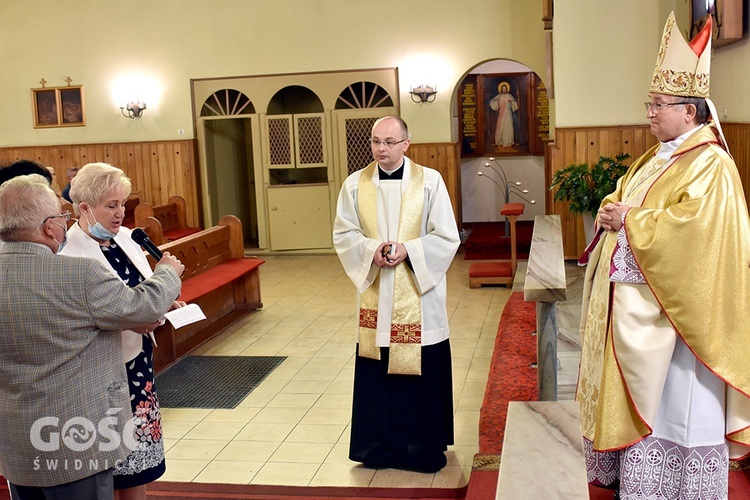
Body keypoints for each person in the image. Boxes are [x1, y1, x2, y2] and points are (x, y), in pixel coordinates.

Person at [576, 13, 750, 499]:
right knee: (652, 403)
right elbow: (629, 195)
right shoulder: (660, 155)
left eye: (658, 105)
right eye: (649, 103)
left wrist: (629, 220)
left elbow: (697, 236)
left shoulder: (711, 164)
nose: (650, 112)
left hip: (682, 326)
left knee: (681, 408)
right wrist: (615, 208)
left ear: (690, 111)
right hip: (646, 310)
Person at [0, 174, 184, 500]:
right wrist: (168, 272)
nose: (64, 224)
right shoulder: (77, 272)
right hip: (76, 438)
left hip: (16, 438)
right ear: (48, 227)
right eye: (61, 217)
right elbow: (142, 306)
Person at [332, 115, 460, 473]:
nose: (381, 149)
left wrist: (409, 251)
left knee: (420, 372)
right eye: (375, 142)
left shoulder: (429, 182)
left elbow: (447, 236)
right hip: (377, 292)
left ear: (406, 143)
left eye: (389, 142)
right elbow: (344, 234)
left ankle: (422, 448)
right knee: (379, 373)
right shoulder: (356, 185)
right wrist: (371, 250)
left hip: (418, 297)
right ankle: (378, 449)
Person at [61, 162, 184, 500]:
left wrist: (164, 303)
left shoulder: (125, 240)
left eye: (123, 204)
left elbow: (140, 291)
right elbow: (97, 311)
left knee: (139, 463)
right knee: (112, 461)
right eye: (111, 206)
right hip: (103, 371)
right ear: (84, 208)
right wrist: (138, 316)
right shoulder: (69, 253)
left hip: (137, 363)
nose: (120, 214)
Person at [489, 82, 518, 147]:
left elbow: (514, 103)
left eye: (505, 88)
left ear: (507, 89)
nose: (504, 90)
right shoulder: (499, 96)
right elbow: (492, 102)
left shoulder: (509, 96)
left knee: (508, 127)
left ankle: (508, 142)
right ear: (501, 89)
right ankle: (500, 141)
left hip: (508, 113)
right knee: (501, 126)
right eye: (503, 88)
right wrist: (498, 102)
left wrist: (510, 102)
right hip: (501, 113)